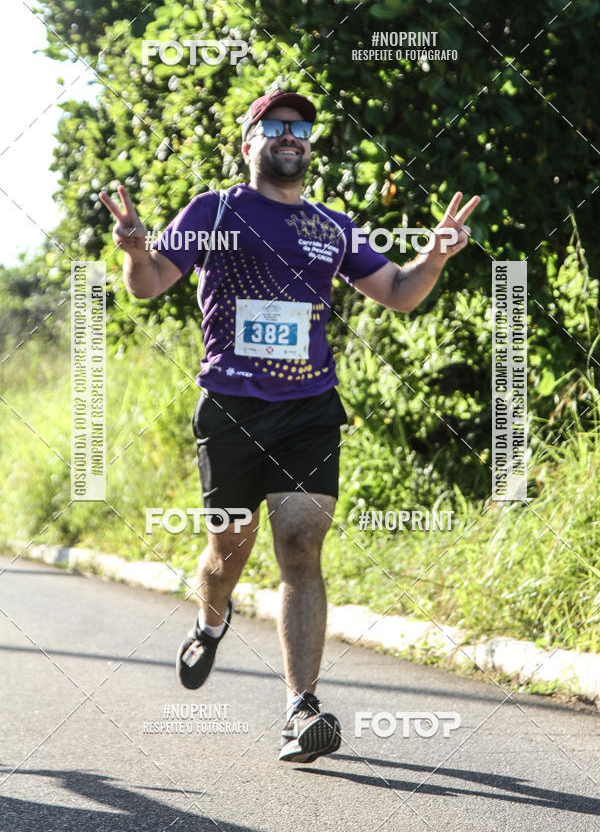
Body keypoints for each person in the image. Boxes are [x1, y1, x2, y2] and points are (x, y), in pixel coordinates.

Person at [100, 89, 480, 763]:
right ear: (249, 142)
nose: (291, 135)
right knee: (228, 551)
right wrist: (134, 249)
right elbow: (150, 282)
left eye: (301, 127)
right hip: (232, 408)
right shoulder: (213, 211)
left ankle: (300, 709)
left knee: (301, 547)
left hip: (309, 407)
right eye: (275, 125)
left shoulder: (332, 226)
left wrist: (437, 257)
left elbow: (398, 291)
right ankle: (210, 619)